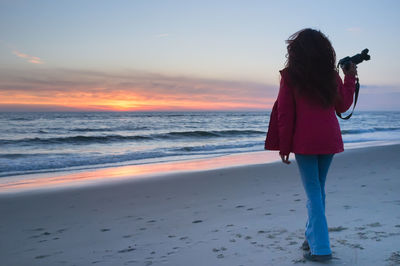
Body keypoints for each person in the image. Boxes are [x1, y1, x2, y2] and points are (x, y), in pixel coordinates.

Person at [276, 28, 357, 261]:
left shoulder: (290, 76)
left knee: (313, 192)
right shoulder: (330, 75)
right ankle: (310, 237)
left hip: (305, 142)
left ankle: (321, 249)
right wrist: (350, 78)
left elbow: (285, 113)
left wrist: (284, 147)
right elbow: (342, 106)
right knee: (318, 190)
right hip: (329, 138)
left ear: (296, 51)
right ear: (325, 50)